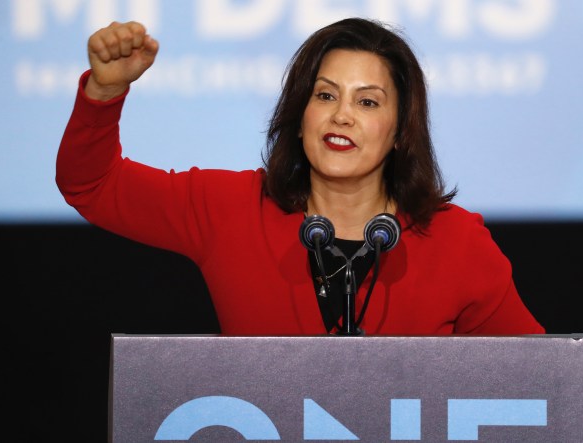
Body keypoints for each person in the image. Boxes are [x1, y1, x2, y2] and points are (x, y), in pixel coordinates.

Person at [56, 18, 545, 335]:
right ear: (300, 112)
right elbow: (92, 185)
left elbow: (537, 383)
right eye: (325, 95)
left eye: (368, 101)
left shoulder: (456, 241)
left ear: (401, 132)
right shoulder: (228, 208)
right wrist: (104, 91)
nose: (342, 116)